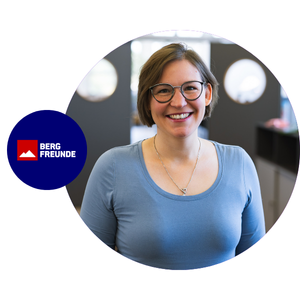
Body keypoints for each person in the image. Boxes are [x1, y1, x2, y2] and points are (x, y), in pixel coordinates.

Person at [80, 43, 265, 270]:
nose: (178, 102)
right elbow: (91, 268)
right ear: (148, 100)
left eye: (190, 88)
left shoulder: (239, 163)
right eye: (164, 90)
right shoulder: (112, 167)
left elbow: (255, 267)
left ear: (206, 94)